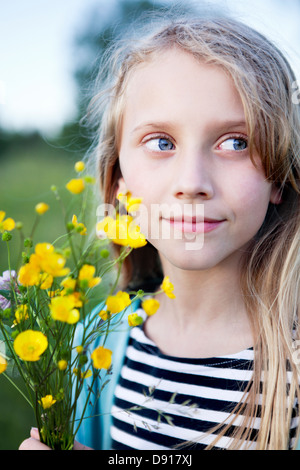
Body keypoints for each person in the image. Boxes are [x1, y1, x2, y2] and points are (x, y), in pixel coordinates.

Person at [19, 12, 300, 451]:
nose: (192, 181)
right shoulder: (96, 339)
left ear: (279, 178)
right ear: (119, 180)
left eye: (235, 142)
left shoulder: (292, 369)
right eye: (161, 143)